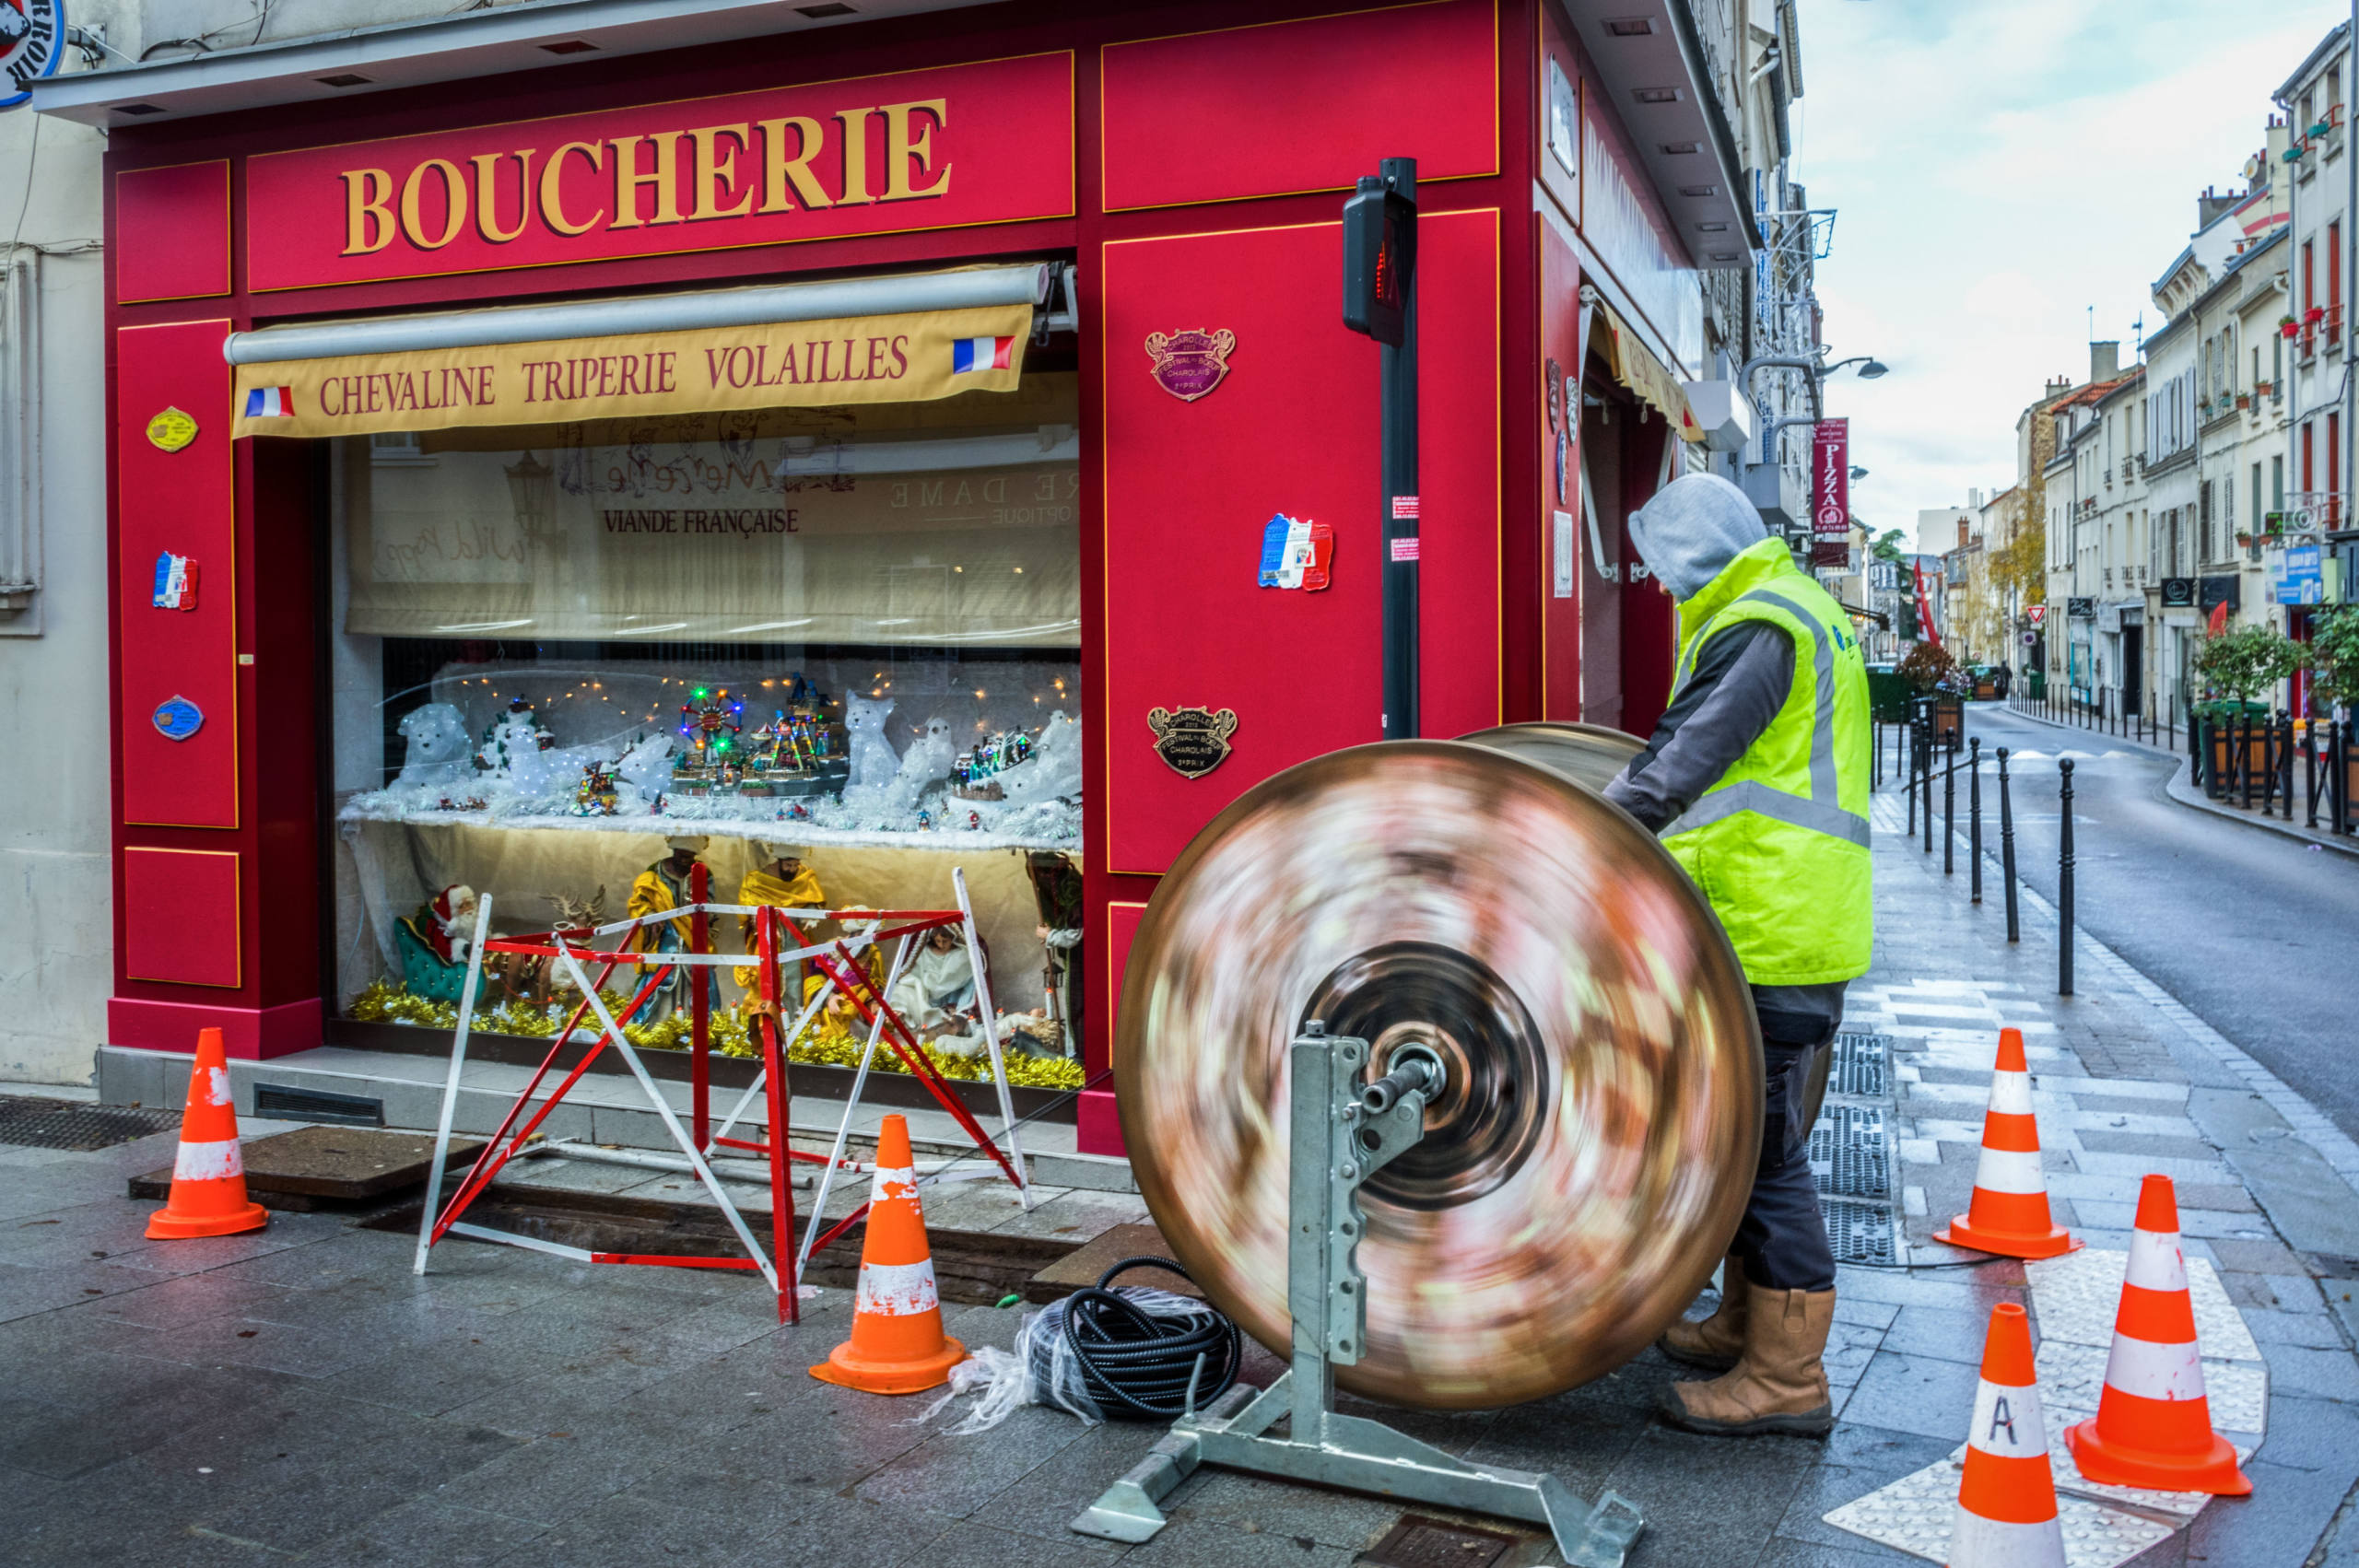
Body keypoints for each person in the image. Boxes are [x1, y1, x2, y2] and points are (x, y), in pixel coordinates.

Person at [1600, 472, 1872, 1440]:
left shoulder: (1759, 625)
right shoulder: (1800, 608)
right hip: (1791, 918)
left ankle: (1787, 1377)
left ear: (1692, 555)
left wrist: (1571, 839)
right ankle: (1746, 1326)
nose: (1661, 584)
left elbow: (1680, 763)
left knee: (1757, 1150)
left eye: (1665, 566)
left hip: (1768, 923)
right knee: (1752, 1138)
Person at [628, 835, 719, 1022]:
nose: (683, 860)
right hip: (663, 939)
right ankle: (656, 1024)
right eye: (680, 855)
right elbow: (640, 901)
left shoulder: (702, 873)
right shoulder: (655, 872)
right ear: (674, 851)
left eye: (688, 857)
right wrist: (650, 916)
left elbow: (710, 908)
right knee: (658, 981)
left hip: (693, 940)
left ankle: (693, 1025)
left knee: (696, 982)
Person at [734, 842, 826, 1007]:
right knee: (765, 980)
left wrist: (812, 915)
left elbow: (812, 900)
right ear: (779, 861)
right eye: (788, 865)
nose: (792, 869)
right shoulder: (757, 879)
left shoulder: (805, 877)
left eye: (796, 865)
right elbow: (750, 907)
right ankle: (765, 1021)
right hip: (768, 939)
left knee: (796, 980)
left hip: (795, 937)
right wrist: (761, 924)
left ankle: (795, 1021)